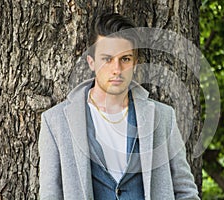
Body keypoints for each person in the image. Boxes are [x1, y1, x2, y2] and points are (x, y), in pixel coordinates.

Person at [38, 12, 200, 200]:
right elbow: (50, 195)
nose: (117, 69)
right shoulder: (55, 121)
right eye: (107, 59)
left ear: (135, 64)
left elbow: (185, 191)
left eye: (125, 59)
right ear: (91, 62)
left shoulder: (163, 116)